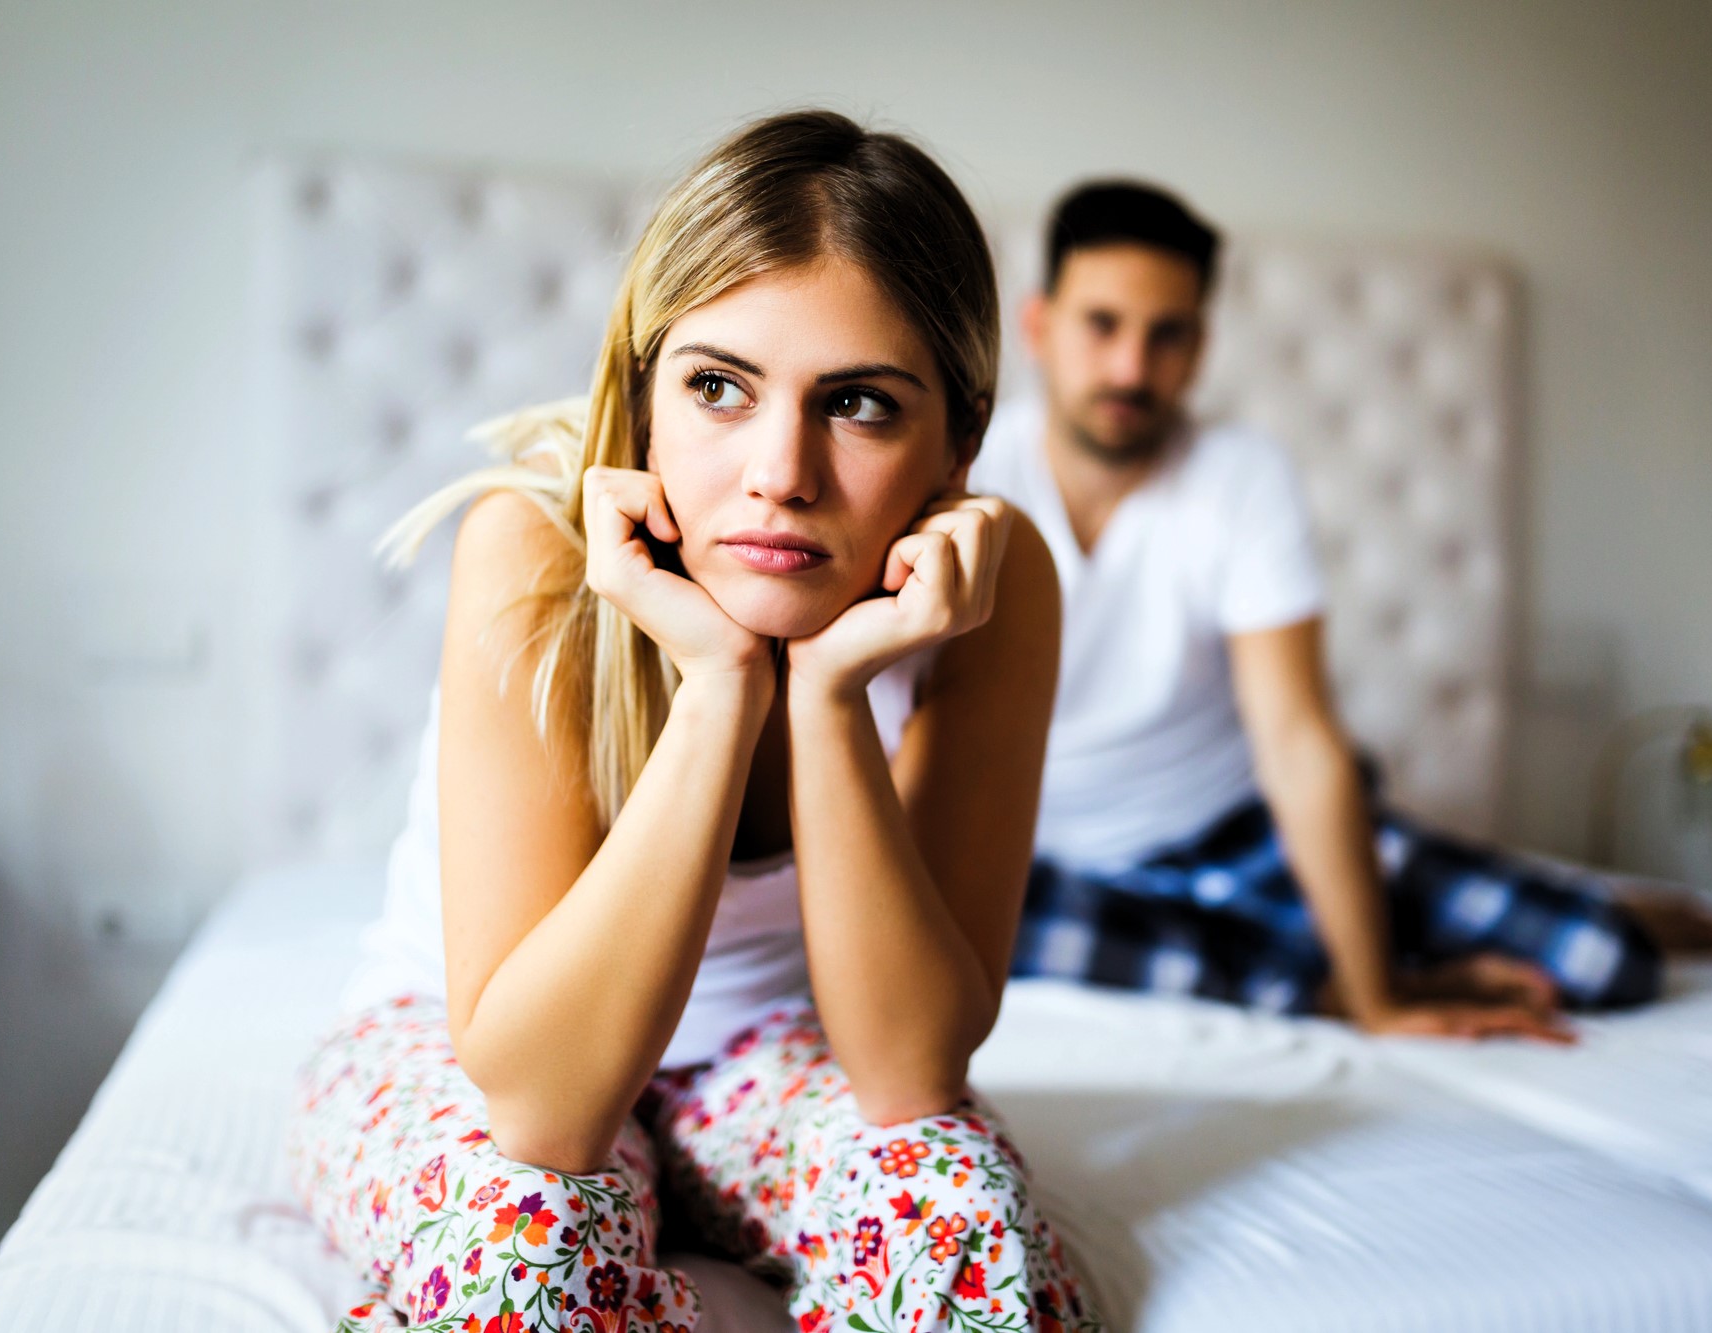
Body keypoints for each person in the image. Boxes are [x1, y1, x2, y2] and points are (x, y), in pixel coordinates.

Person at [285, 112, 1102, 1333]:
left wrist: (826, 691)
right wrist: (722, 682)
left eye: (861, 406)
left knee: (973, 1248)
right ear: (641, 395)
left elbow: (908, 1071)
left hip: (775, 1054)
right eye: (718, 387)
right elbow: (544, 1108)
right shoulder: (534, 550)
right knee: (525, 1263)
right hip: (480, 1048)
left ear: (961, 438)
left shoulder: (995, 583)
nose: (780, 470)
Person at [975, 181, 1712, 1044]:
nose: (1130, 368)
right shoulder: (973, 470)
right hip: (1047, 862)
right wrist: (1375, 991)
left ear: (1201, 347)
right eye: (1102, 325)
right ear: (1039, 327)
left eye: (1168, 334)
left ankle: (1434, 938)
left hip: (1237, 832)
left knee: (1608, 960)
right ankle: (1326, 972)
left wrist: (1379, 1001)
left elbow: (1298, 738)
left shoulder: (1239, 475)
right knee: (981, 935)